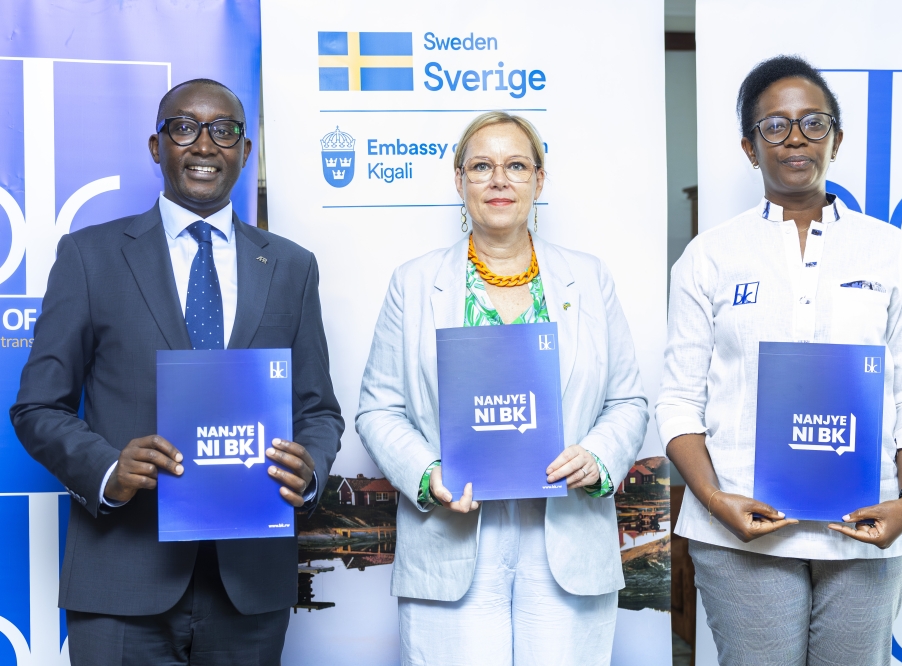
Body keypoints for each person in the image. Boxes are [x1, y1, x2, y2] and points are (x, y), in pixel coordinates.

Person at [11, 79, 343, 666]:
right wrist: (108, 469)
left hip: (250, 586)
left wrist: (309, 470)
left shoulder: (292, 267)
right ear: (156, 145)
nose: (205, 145)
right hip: (122, 580)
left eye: (224, 130)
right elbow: (38, 405)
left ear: (245, 150)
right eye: (185, 128)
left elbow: (317, 409)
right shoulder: (89, 256)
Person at [656, 55, 902, 666]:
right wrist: (714, 499)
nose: (795, 139)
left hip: (866, 524)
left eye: (813, 123)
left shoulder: (889, 251)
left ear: (836, 139)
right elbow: (678, 400)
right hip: (741, 524)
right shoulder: (710, 256)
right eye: (775, 126)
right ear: (749, 146)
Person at [356, 111, 648, 666]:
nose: (498, 180)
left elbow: (627, 401)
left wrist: (598, 456)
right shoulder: (413, 283)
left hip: (566, 533)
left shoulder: (589, 278)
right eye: (481, 166)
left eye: (516, 165)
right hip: (453, 533)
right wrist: (427, 473)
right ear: (458, 179)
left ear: (539, 180)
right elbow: (378, 410)